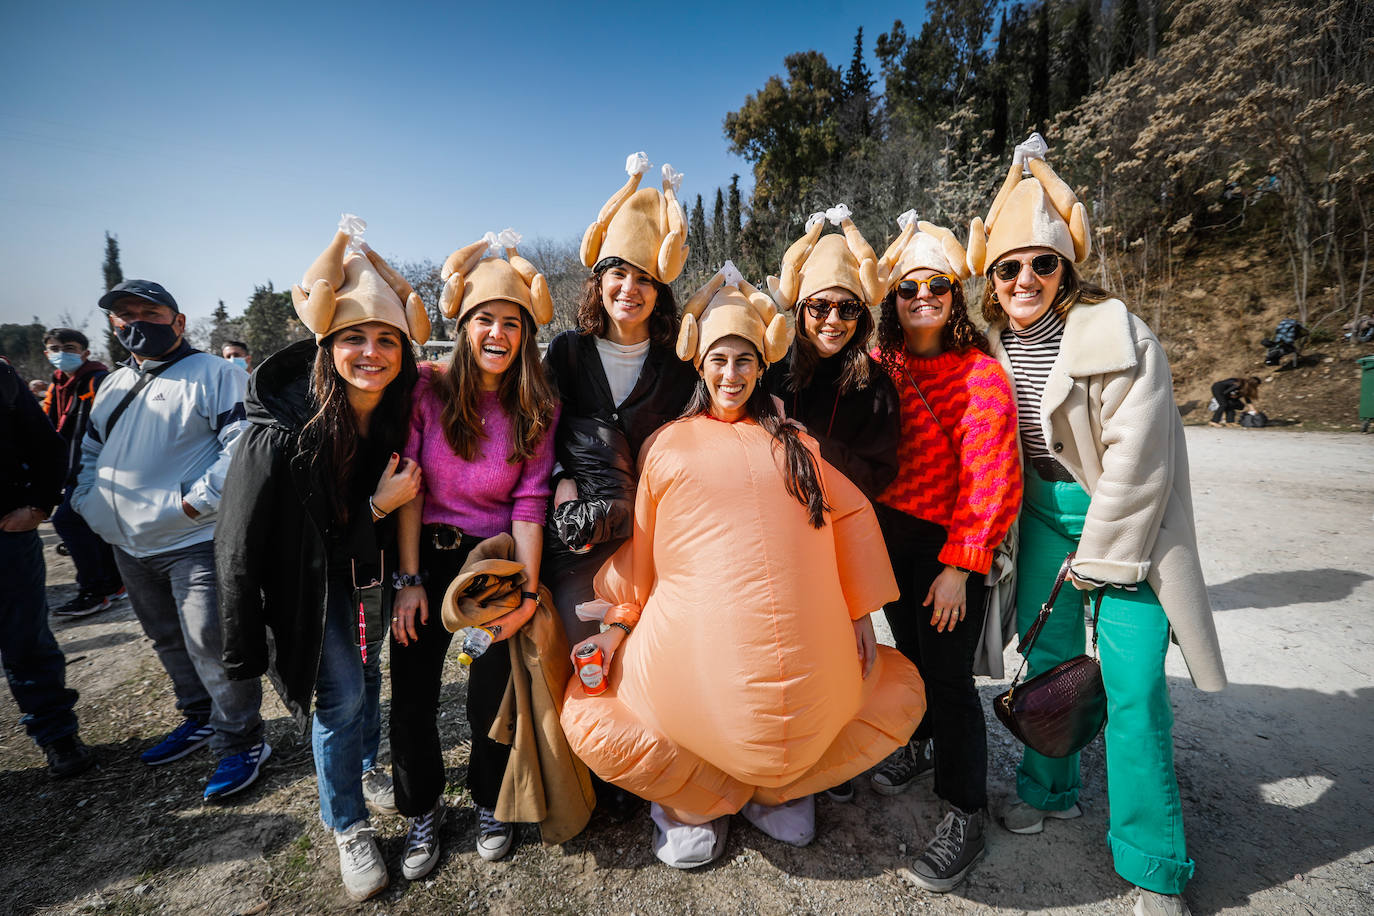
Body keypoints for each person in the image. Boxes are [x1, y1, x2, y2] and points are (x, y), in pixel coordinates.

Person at [560, 267, 925, 869]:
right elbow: (645, 551)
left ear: (762, 368)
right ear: (700, 367)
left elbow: (852, 515)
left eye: (745, 361)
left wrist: (860, 611)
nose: (732, 375)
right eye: (720, 361)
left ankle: (773, 788)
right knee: (611, 710)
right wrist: (621, 621)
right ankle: (696, 800)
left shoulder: (794, 443)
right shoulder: (669, 445)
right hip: (697, 668)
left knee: (884, 689)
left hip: (802, 660)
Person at [972, 134, 1226, 916]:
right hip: (1039, 516)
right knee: (1046, 660)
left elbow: (1142, 461)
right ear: (992, 277)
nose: (1024, 279)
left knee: (1135, 683)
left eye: (1041, 264)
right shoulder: (990, 343)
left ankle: (1154, 864)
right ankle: (1049, 791)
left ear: (1066, 267)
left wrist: (1102, 554)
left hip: (1127, 526)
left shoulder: (1120, 334)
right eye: (1008, 267)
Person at [218, 221, 428, 901]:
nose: (371, 352)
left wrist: (401, 571)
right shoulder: (281, 432)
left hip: (363, 576)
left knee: (367, 679)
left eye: (386, 339)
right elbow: (245, 547)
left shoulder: (394, 415)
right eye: (353, 338)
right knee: (337, 698)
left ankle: (364, 769)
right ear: (326, 345)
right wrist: (373, 507)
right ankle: (348, 825)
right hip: (309, 588)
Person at [390, 231, 559, 872]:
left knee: (489, 693)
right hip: (426, 559)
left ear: (525, 334)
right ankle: (421, 811)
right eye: (484, 319)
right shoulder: (427, 389)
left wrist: (528, 594)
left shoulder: (537, 406)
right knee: (411, 697)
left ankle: (491, 800)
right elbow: (409, 486)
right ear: (463, 326)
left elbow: (531, 503)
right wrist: (407, 578)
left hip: (491, 566)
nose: (497, 333)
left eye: (511, 323)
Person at [865, 216, 1021, 892]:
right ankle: (921, 743)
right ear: (892, 301)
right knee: (911, 655)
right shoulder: (881, 364)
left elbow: (993, 479)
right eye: (908, 288)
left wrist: (961, 565)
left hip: (947, 545)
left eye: (936, 285)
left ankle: (965, 810)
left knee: (952, 678)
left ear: (956, 295)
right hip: (889, 534)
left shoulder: (981, 374)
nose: (922, 296)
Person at [72, 279, 267, 801]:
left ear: (178, 322)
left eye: (149, 312)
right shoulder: (113, 385)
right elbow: (88, 453)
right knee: (165, 638)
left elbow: (242, 449)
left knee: (211, 642)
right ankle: (199, 716)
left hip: (194, 540)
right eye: (124, 314)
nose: (136, 322)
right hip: (130, 545)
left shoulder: (215, 374)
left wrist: (192, 503)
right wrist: (89, 503)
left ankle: (240, 741)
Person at [543, 152, 697, 647]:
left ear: (660, 291)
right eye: (619, 274)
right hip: (578, 535)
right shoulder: (568, 351)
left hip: (652, 540)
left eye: (645, 278)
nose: (630, 289)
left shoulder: (679, 361)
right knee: (578, 649)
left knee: (646, 657)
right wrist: (562, 482)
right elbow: (539, 431)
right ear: (599, 281)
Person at [763, 205, 899, 503]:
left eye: (848, 308)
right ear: (800, 311)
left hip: (848, 525)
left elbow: (878, 476)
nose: (833, 321)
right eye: (820, 306)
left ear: (861, 317)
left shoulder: (876, 387)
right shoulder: (772, 374)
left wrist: (810, 443)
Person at [0, 358, 95, 778]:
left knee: (25, 641)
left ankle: (57, 735)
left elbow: (45, 444)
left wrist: (38, 505)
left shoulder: (2, 378)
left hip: (6, 535)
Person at [42, 328, 125, 617]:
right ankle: (113, 583)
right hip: (71, 467)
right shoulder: (58, 385)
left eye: (69, 347)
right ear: (46, 353)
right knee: (90, 524)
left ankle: (94, 590)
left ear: (85, 352)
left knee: (67, 521)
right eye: (55, 348)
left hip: (93, 467)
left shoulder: (96, 381)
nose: (61, 353)